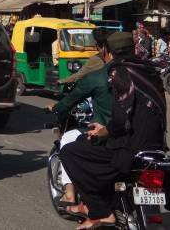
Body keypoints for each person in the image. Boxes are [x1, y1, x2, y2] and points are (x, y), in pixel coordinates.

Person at [59, 32, 167, 229]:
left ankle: (101, 211)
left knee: (71, 151)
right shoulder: (149, 70)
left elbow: (121, 117)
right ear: (133, 49)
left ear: (108, 51)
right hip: (156, 144)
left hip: (130, 145)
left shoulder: (119, 72)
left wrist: (104, 131)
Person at [46, 28, 112, 214]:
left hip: (112, 133)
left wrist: (62, 86)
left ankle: (71, 194)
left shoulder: (102, 72)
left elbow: (79, 85)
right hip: (143, 137)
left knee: (68, 145)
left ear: (103, 49)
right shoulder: (141, 72)